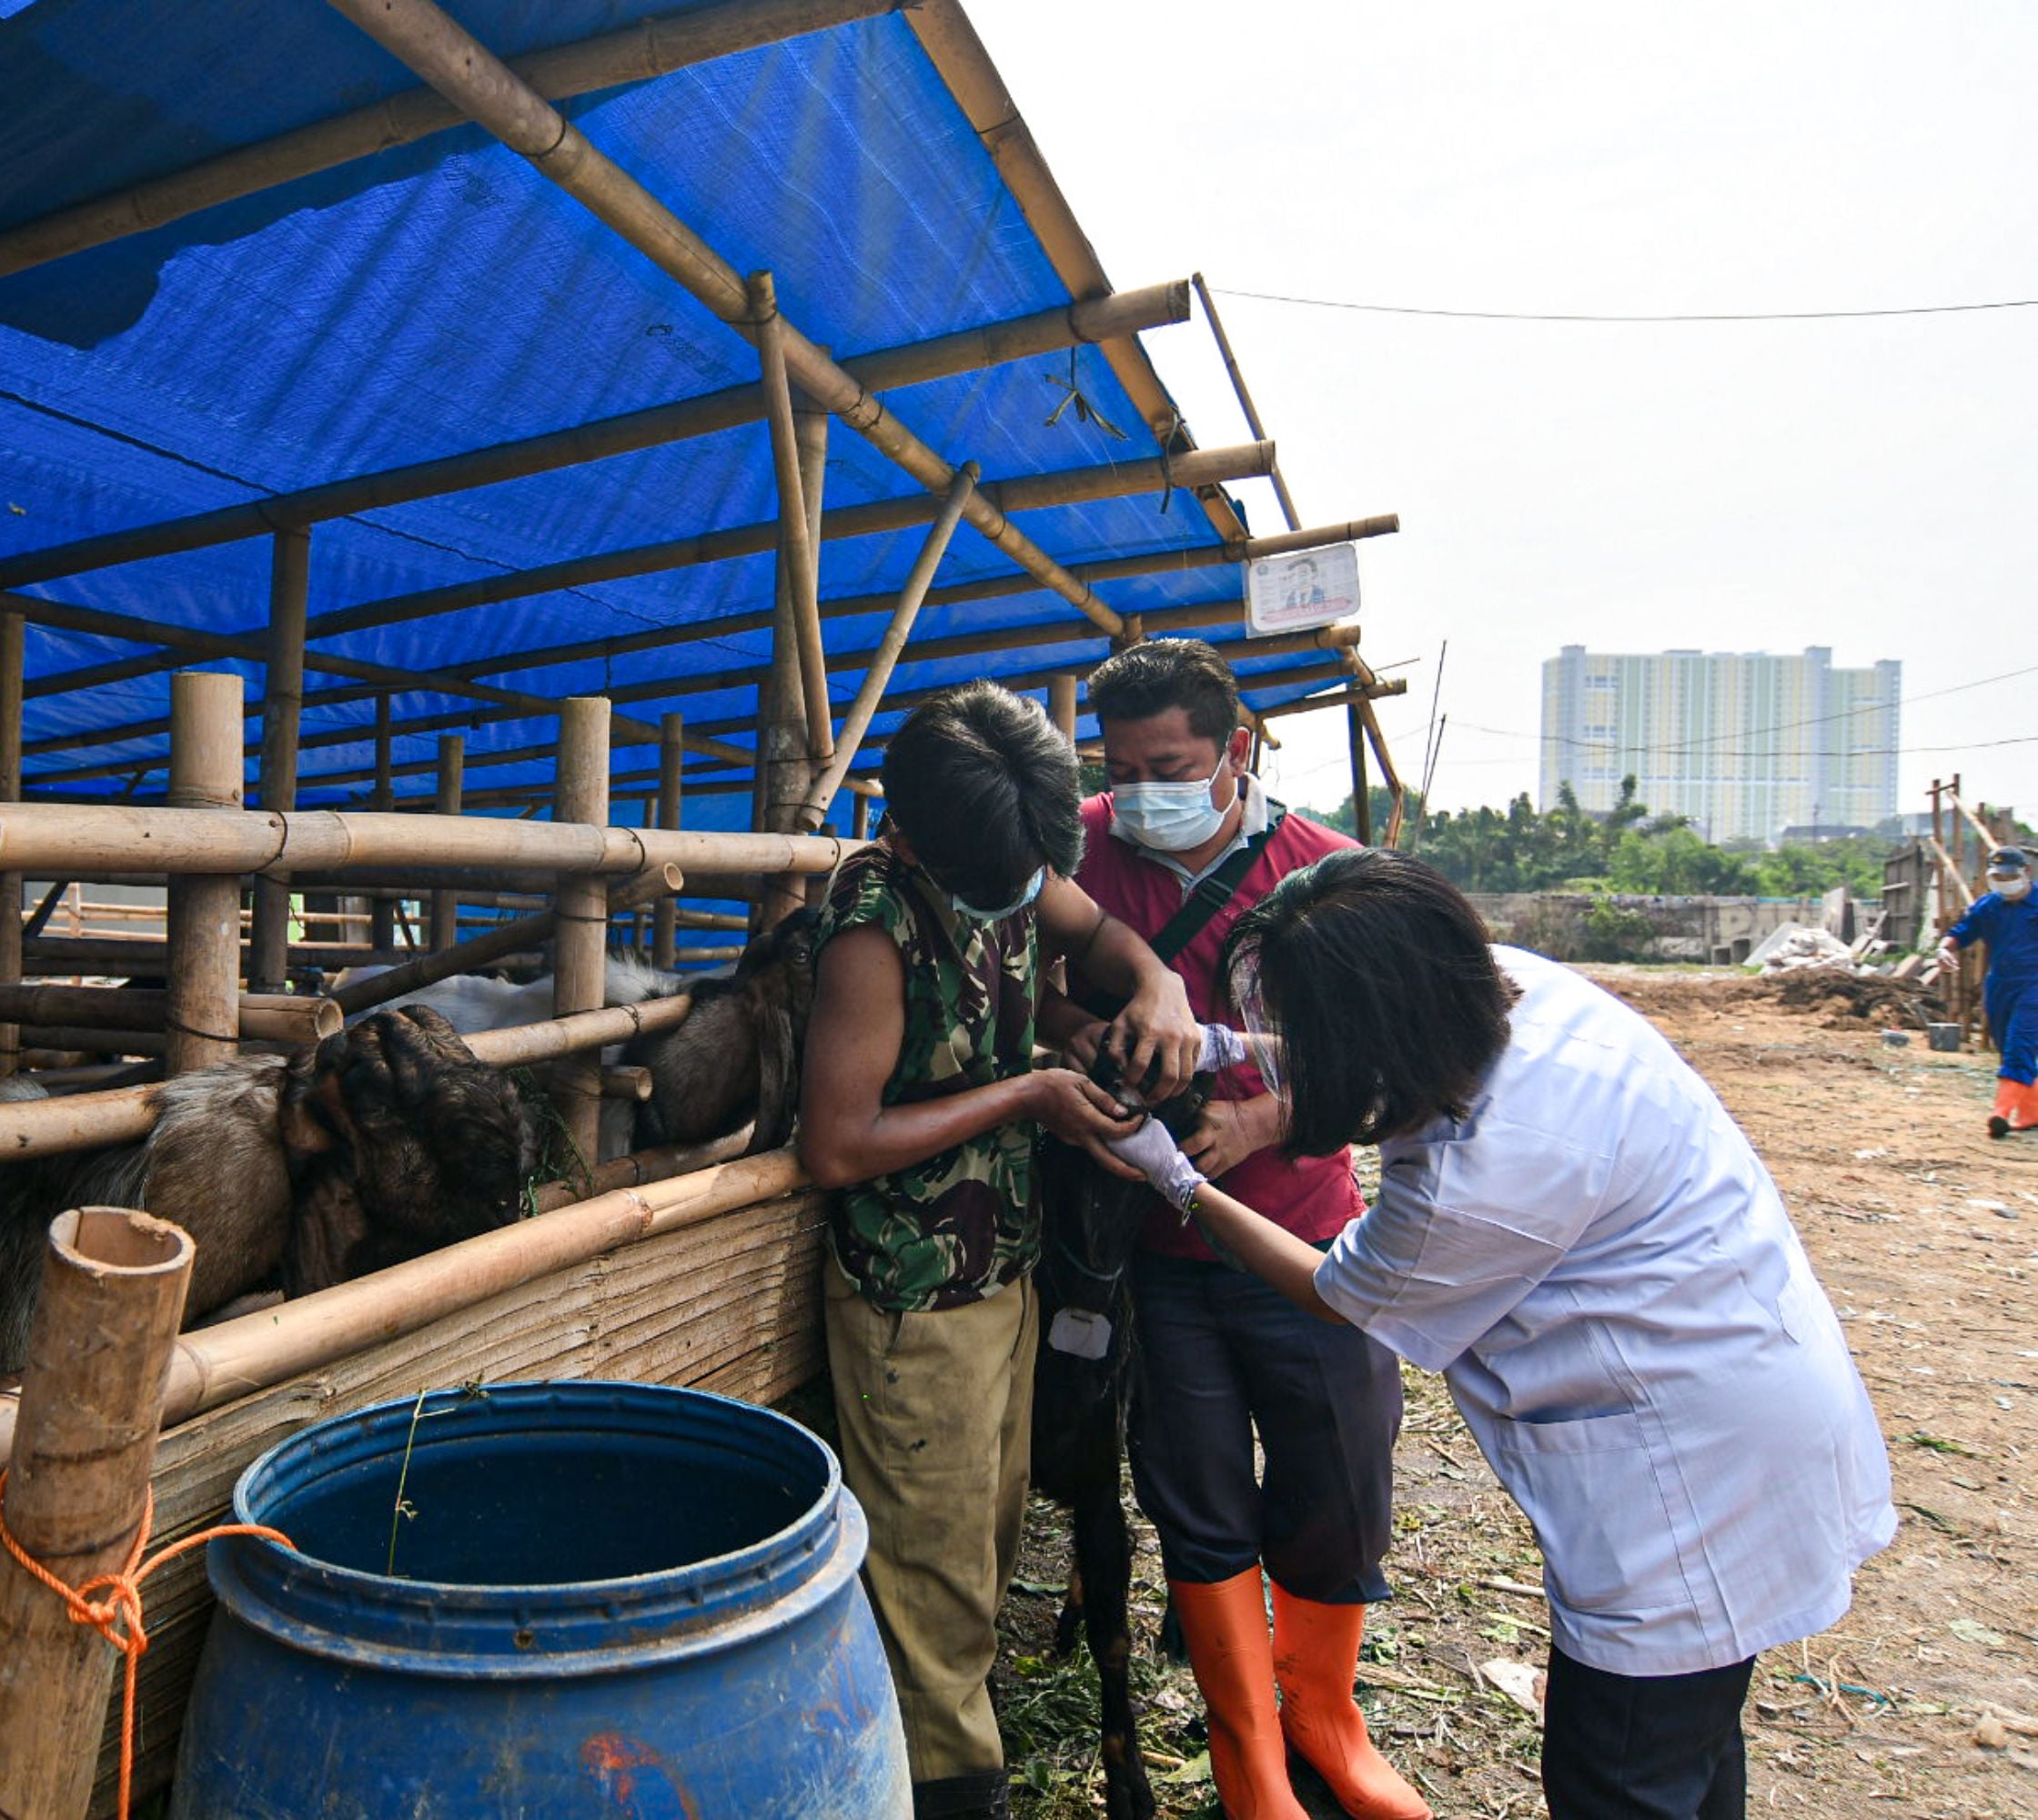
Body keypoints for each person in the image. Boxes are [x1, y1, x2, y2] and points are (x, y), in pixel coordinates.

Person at [1112, 849, 1896, 1820]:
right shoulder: (1518, 989)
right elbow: (1369, 1050)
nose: (1292, 1045)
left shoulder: (1480, 1170)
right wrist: (1234, 1049)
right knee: (1694, 1753)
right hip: (1750, 1382)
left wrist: (1178, 1183)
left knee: (1621, 1773)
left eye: (1301, 1029)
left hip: (1682, 1479)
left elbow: (1338, 1289)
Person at [796, 681, 1200, 1820]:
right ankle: (946, 1792)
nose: (1025, 892)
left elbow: (1098, 931)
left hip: (1003, 1271)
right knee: (936, 1599)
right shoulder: (877, 922)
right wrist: (1025, 1091)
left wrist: (1157, 982)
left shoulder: (1006, 847)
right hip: (913, 1301)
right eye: (1006, 876)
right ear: (916, 829)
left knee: (986, 1542)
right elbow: (836, 1143)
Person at [1064, 639, 1423, 1820]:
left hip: (1314, 1244)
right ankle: (1250, 1767)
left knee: (1339, 1488)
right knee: (1198, 1501)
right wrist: (1096, 1049)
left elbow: (1400, 1046)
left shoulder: (1330, 872)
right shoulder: (1081, 847)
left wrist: (1268, 1114)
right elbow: (1016, 978)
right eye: (1120, 767)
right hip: (1160, 1263)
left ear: (1240, 750)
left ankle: (1324, 1714)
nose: (1139, 792)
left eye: (1168, 764)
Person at [1938, 844, 2038, 1139]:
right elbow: (1961, 932)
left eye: (2009, 876)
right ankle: (2031, 1113)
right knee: (2006, 1045)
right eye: (1998, 877)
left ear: (2026, 873)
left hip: (2034, 984)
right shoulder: (1988, 906)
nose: (2004, 883)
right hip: (2000, 985)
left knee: (2019, 1043)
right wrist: (1944, 950)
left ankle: (2001, 1113)